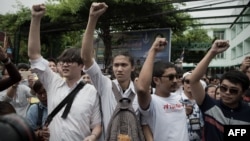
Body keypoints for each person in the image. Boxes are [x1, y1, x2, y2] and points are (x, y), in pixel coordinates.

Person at [28, 4, 101, 141]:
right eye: (63, 61)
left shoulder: (92, 91)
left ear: (81, 65)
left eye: (71, 61)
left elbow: (96, 124)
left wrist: (93, 136)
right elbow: (34, 55)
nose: (65, 64)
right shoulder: (53, 82)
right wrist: (35, 19)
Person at [81, 2, 144, 140]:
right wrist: (92, 19)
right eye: (116, 65)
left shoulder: (140, 91)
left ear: (132, 67)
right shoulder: (104, 85)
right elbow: (86, 57)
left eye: (124, 65)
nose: (119, 69)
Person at [189, 40, 250, 141]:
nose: (227, 92)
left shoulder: (248, 112)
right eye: (223, 88)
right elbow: (193, 80)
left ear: (243, 93)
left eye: (233, 91)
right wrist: (212, 52)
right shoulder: (210, 105)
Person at [135, 37, 189, 141]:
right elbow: (141, 88)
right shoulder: (151, 102)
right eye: (170, 77)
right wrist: (153, 50)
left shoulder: (179, 97)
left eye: (176, 76)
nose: (175, 80)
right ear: (156, 80)